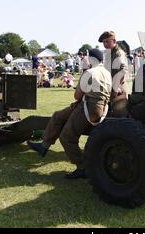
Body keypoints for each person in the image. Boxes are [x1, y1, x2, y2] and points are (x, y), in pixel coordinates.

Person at [27, 49, 112, 179]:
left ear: (91, 58)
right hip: (98, 106)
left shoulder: (89, 72)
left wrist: (80, 99)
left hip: (89, 107)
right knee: (58, 116)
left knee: (67, 137)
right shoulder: (106, 72)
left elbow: (77, 95)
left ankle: (82, 167)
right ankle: (43, 146)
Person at [99, 30, 129, 117]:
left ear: (114, 41)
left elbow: (123, 71)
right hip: (111, 88)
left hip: (119, 89)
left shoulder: (118, 53)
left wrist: (115, 91)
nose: (105, 44)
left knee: (120, 116)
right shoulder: (109, 53)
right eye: (104, 42)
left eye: (107, 41)